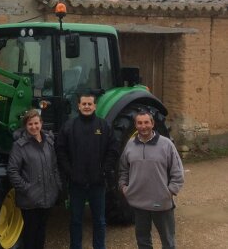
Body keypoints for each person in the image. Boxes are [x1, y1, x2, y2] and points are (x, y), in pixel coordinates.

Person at [56, 94, 119, 249]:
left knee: (99, 221)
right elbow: (60, 151)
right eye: (83, 103)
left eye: (90, 104)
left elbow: (113, 150)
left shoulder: (104, 126)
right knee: (76, 220)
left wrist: (103, 171)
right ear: (78, 106)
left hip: (97, 184)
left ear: (95, 106)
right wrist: (70, 172)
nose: (87, 106)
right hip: (76, 184)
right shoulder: (69, 126)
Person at [119, 111, 184, 249]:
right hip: (139, 203)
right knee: (143, 241)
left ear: (152, 124)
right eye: (140, 123)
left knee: (168, 241)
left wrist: (170, 191)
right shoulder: (130, 144)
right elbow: (123, 169)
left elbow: (177, 171)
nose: (143, 126)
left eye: (146, 122)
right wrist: (124, 187)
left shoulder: (166, 144)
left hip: (161, 202)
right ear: (136, 125)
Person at [7, 109, 62, 249]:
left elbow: (54, 166)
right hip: (30, 200)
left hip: (47, 196)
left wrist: (56, 186)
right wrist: (27, 189)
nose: (34, 127)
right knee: (30, 234)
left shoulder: (49, 142)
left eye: (36, 123)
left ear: (41, 123)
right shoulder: (19, 146)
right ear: (25, 126)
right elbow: (12, 171)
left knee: (42, 231)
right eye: (30, 124)